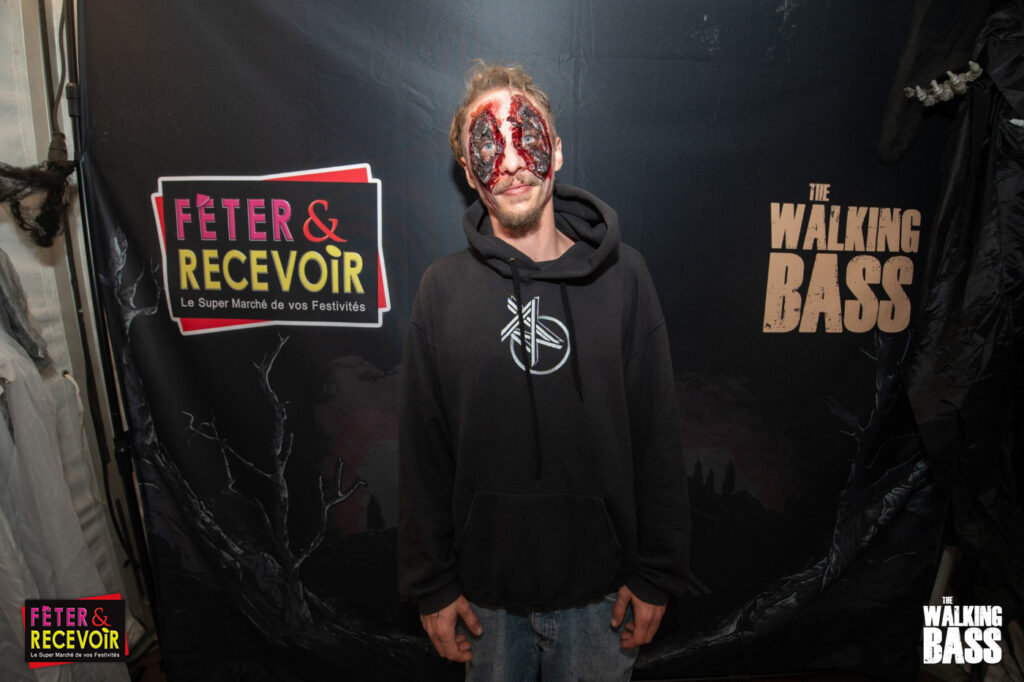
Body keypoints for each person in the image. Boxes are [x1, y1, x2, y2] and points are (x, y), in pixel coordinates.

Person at [398, 61, 690, 680]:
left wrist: (658, 573)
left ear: (555, 151)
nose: (510, 163)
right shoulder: (440, 290)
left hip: (603, 601)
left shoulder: (625, 277)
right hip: (484, 601)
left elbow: (657, 434)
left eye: (526, 137)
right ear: (468, 173)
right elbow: (424, 450)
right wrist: (431, 586)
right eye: (487, 146)